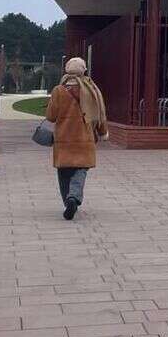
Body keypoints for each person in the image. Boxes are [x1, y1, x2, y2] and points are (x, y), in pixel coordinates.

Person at [44, 56, 107, 220]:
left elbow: (50, 116)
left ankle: (68, 201)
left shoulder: (59, 90)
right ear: (84, 70)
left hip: (63, 138)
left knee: (64, 171)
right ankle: (74, 196)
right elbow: (100, 114)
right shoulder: (91, 88)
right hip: (84, 138)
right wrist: (103, 132)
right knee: (81, 169)